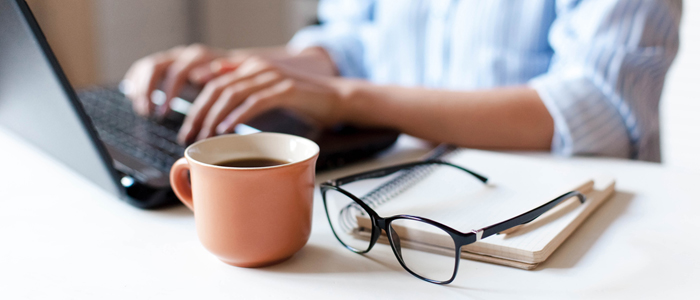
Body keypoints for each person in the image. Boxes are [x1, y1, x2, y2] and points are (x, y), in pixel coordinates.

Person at [123, 0, 682, 162]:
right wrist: (236, 70)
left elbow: (599, 109)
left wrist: (350, 100)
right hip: (403, 198)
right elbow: (359, 42)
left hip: (553, 223)